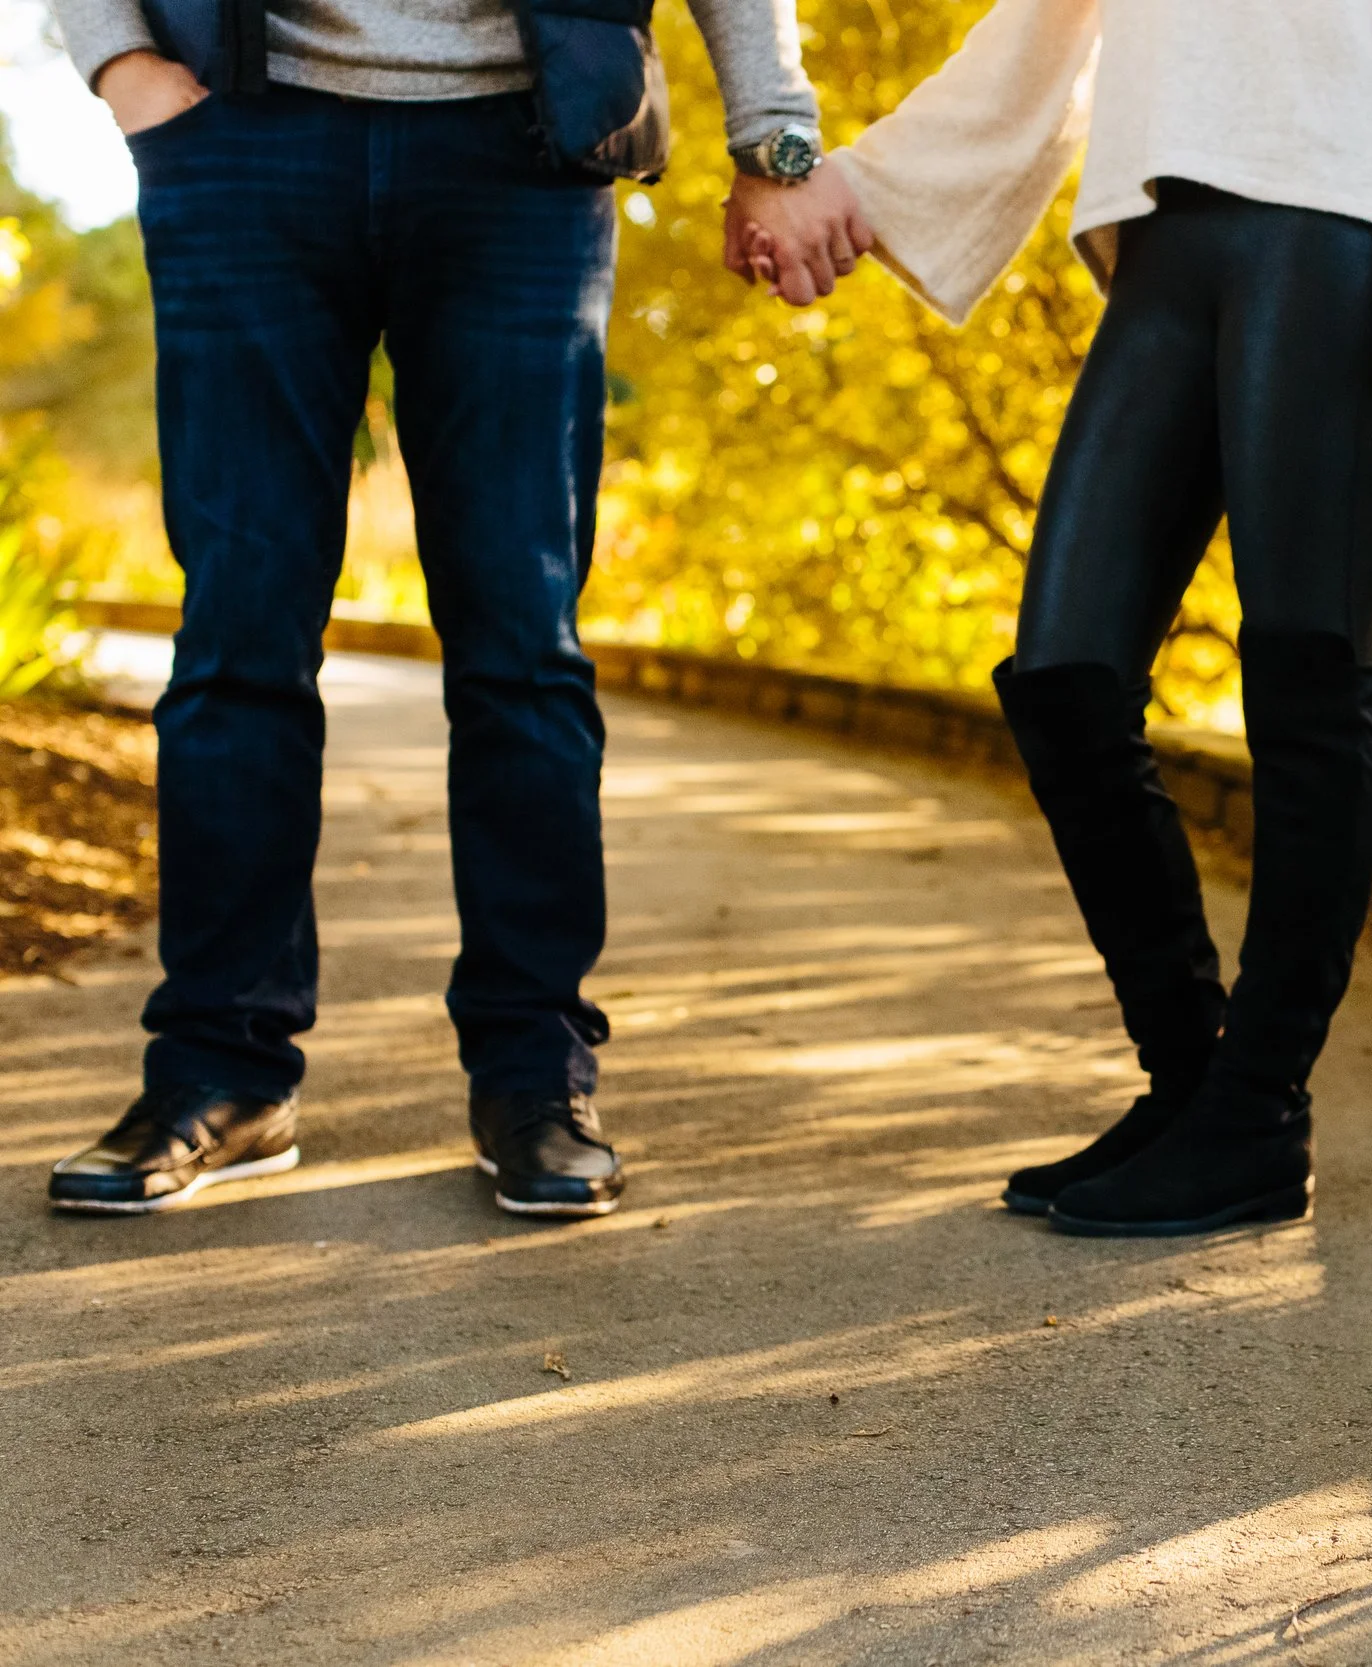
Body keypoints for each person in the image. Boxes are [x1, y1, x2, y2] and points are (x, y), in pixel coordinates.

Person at [42, 0, 874, 1216]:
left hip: (524, 149)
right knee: (237, 640)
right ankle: (219, 1073)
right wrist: (124, 66)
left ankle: (536, 1073)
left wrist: (775, 139)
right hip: (240, 137)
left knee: (522, 645)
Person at [766, 0, 1372, 1235]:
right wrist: (860, 181)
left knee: (1306, 675)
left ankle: (1254, 1108)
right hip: (1155, 231)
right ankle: (1196, 1084)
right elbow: (1039, 25)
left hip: (1328, 212)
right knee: (1063, 677)